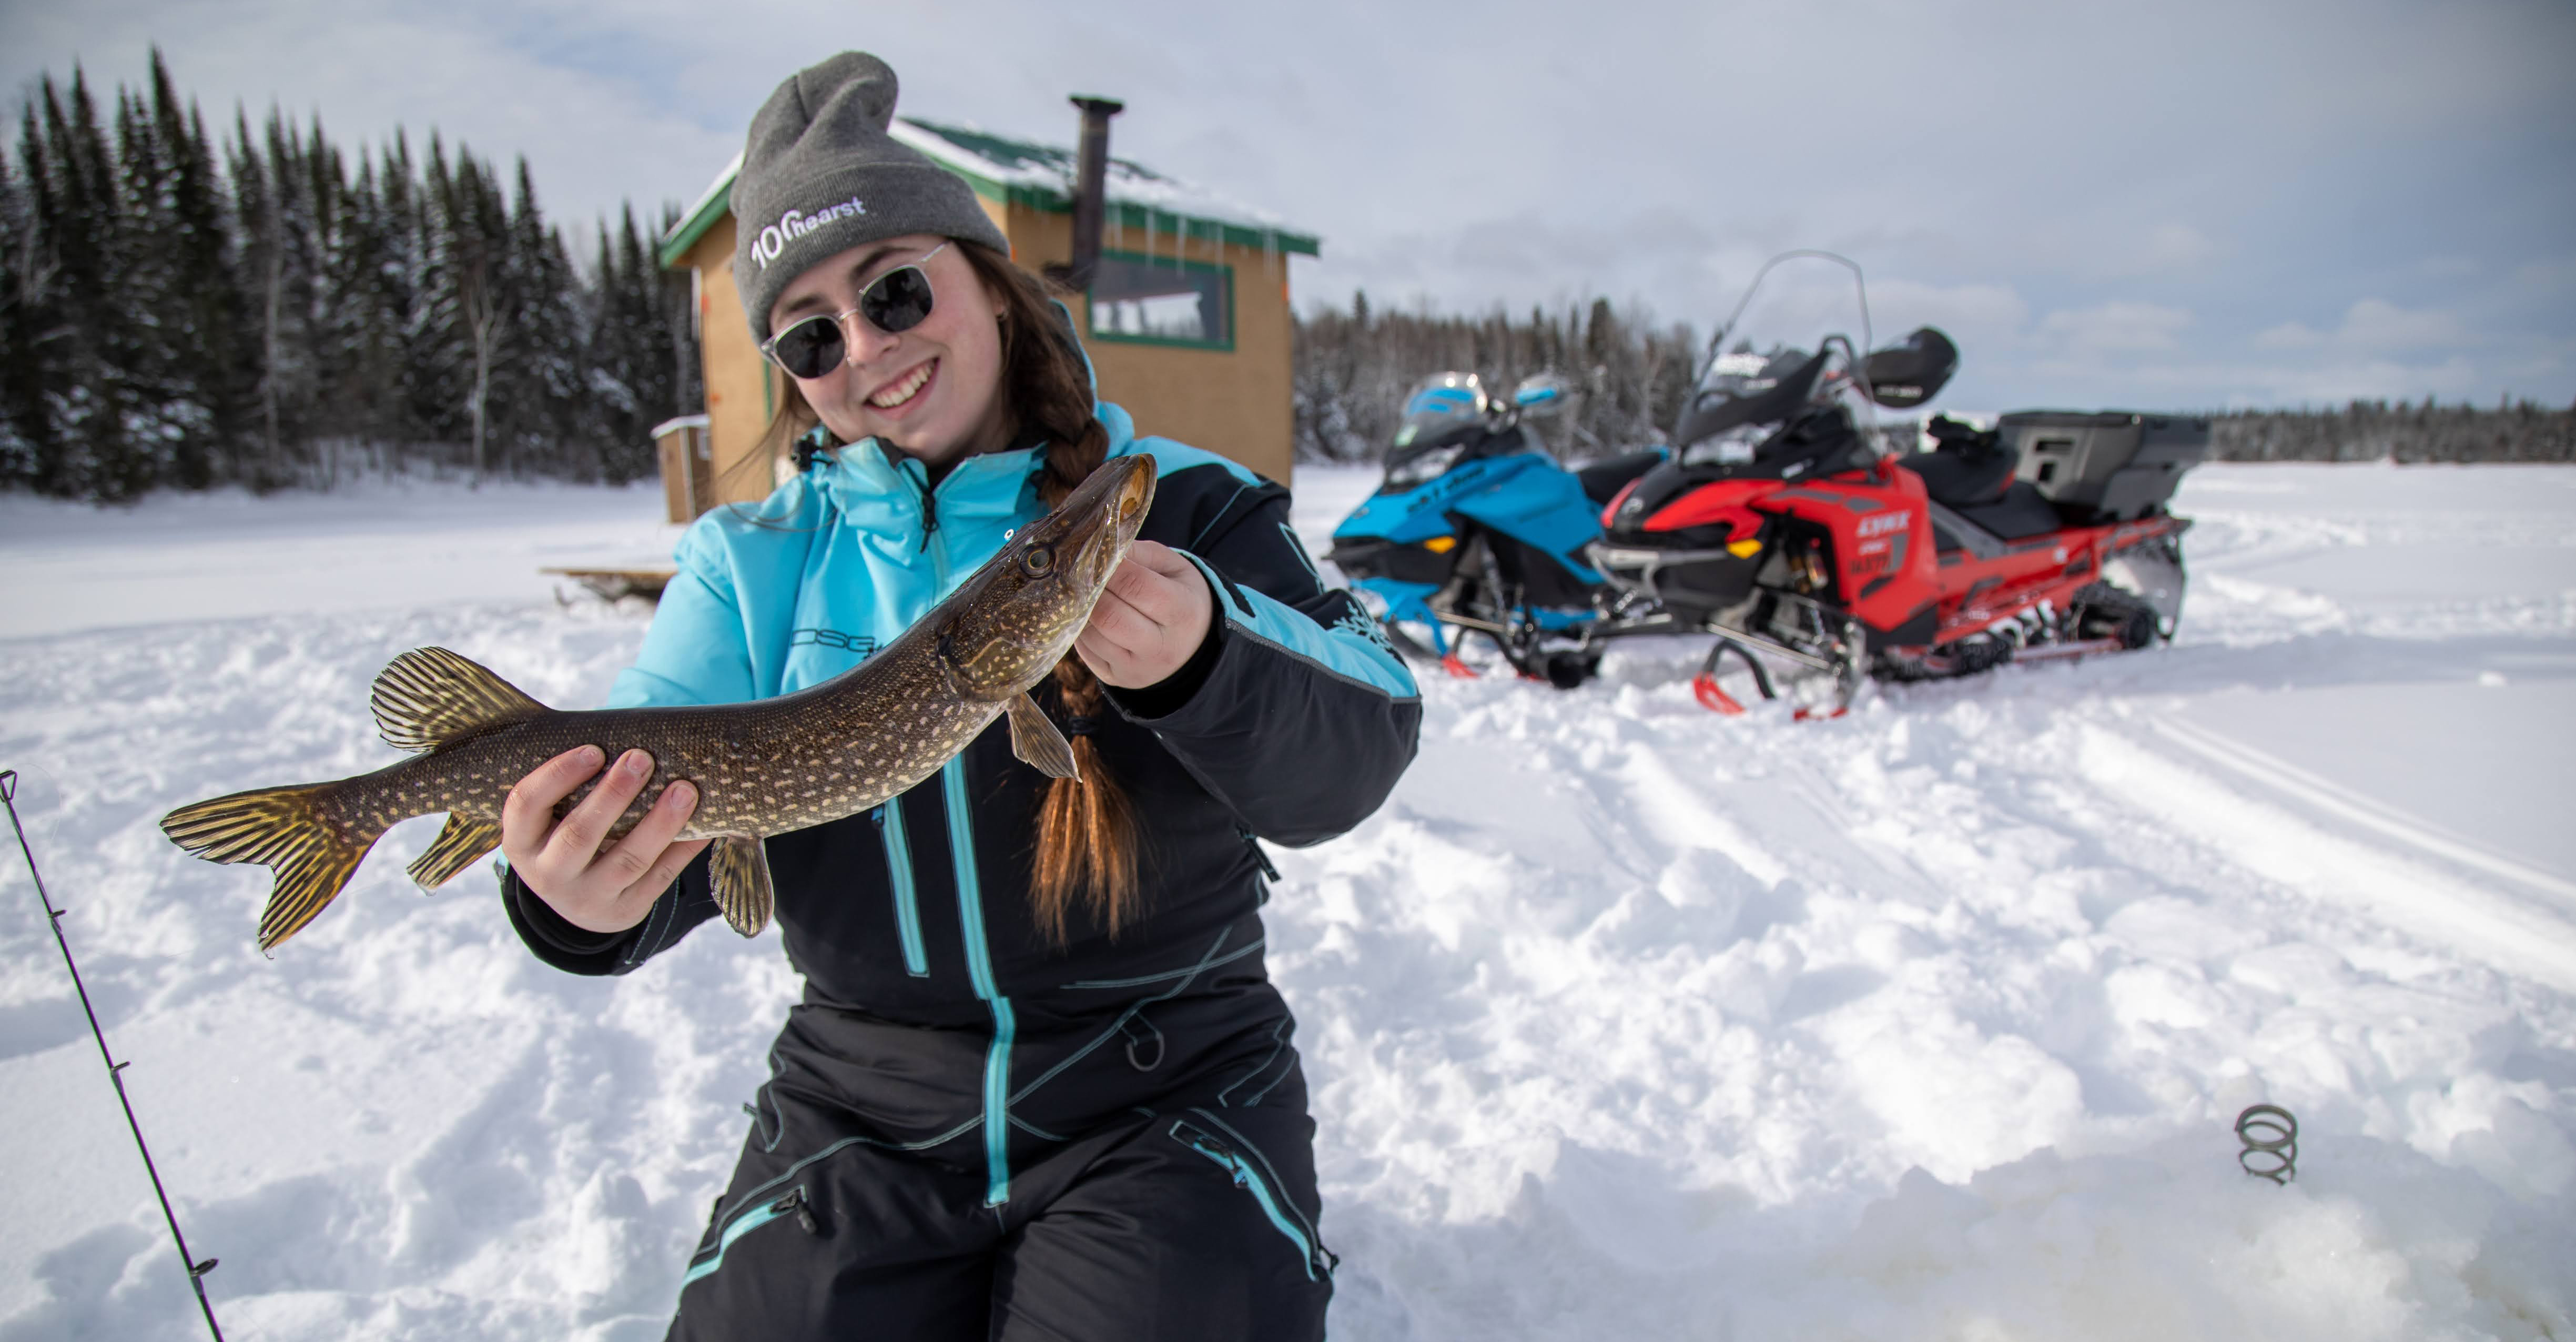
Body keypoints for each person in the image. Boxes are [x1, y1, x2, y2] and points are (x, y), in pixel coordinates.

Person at [491, 51, 1419, 1341]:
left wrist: (1211, 649)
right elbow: (661, 839)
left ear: (985, 278)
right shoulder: (749, 564)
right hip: (861, 1110)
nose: (868, 347)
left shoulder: (1189, 501)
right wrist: (579, 894)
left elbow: (1364, 741)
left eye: (895, 289)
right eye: (812, 333)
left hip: (1168, 1084)